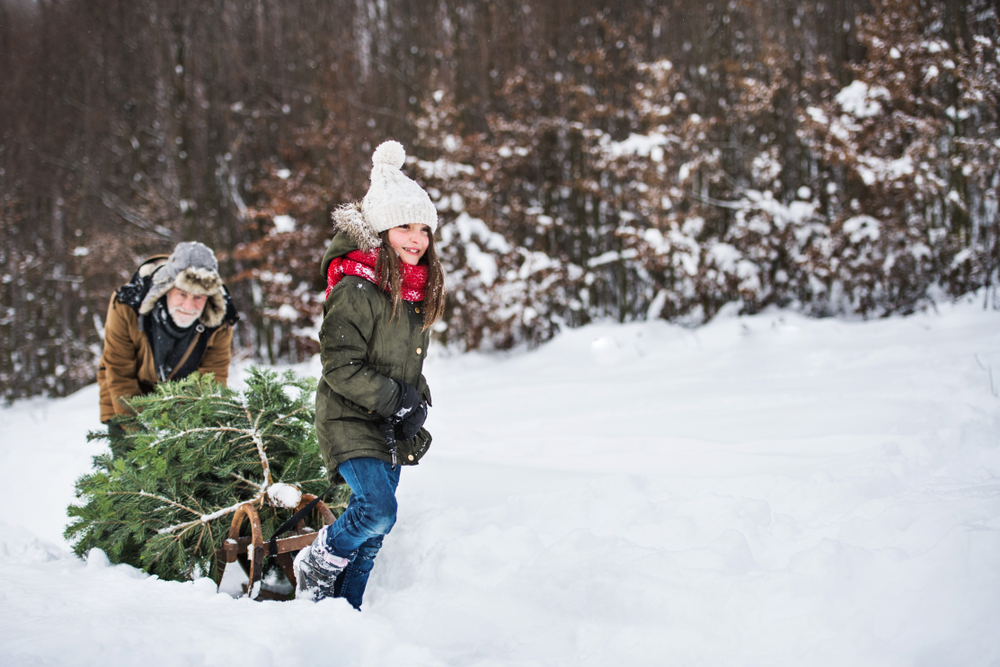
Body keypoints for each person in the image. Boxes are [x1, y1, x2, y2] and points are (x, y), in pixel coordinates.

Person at [293, 140, 446, 608]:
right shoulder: (356, 288)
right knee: (377, 511)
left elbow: (406, 362)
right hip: (348, 418)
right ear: (381, 230)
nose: (416, 237)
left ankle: (344, 613)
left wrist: (417, 402)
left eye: (423, 228)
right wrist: (395, 399)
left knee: (375, 537)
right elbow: (340, 364)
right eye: (404, 226)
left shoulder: (413, 292)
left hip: (389, 424)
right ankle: (316, 562)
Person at [97, 241, 239, 450]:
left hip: (182, 397)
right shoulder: (127, 305)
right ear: (166, 288)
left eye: (198, 297)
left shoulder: (219, 319)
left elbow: (213, 378)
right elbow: (119, 372)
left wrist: (201, 432)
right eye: (182, 294)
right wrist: (142, 438)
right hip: (127, 392)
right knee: (133, 468)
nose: (189, 307)